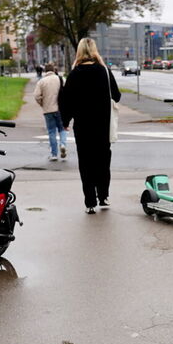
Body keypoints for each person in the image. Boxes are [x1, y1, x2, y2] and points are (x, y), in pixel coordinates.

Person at [59, 38, 120, 214]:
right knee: (103, 161)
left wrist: (65, 121)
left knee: (86, 163)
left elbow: (65, 101)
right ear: (95, 50)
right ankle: (103, 196)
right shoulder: (104, 72)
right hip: (102, 126)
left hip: (83, 127)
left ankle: (90, 202)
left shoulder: (74, 74)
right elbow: (116, 95)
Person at [34, 63, 67, 161]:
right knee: (62, 128)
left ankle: (54, 154)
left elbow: (36, 95)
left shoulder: (42, 82)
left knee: (52, 131)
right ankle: (63, 144)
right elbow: (67, 92)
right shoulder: (61, 79)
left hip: (48, 110)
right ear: (54, 70)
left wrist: (42, 103)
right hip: (60, 109)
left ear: (45, 71)